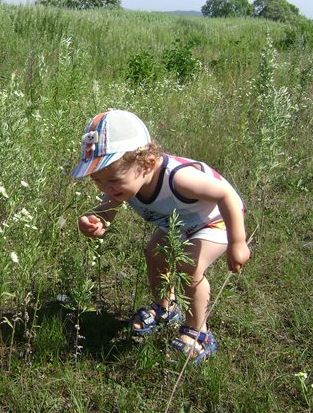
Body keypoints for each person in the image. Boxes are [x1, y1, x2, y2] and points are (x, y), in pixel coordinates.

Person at [72, 109, 250, 363]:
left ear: (147, 164)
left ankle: (198, 332)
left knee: (189, 265)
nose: (106, 188)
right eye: (97, 181)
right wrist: (96, 220)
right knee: (154, 254)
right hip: (179, 223)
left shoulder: (179, 179)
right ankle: (166, 307)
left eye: (112, 180)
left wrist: (238, 242)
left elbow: (226, 195)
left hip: (214, 220)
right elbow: (108, 207)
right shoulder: (125, 183)